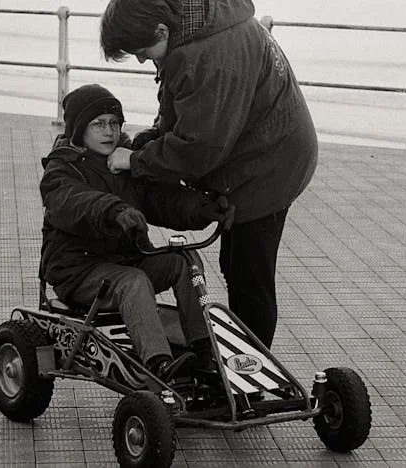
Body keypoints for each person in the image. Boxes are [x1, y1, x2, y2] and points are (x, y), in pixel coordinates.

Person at [100, 0, 318, 349]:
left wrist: (137, 161)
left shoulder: (210, 55)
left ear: (161, 30)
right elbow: (183, 109)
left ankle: (252, 373)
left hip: (270, 165)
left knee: (250, 276)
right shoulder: (191, 28)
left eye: (142, 51)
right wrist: (147, 142)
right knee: (236, 264)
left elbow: (197, 151)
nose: (141, 60)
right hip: (263, 147)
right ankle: (243, 361)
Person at [39, 84, 233, 382]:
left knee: (185, 261)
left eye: (115, 123)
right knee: (133, 281)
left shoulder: (124, 162)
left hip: (126, 259)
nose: (110, 132)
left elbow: (163, 200)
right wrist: (113, 210)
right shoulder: (61, 170)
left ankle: (204, 347)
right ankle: (158, 363)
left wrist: (205, 208)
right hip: (78, 270)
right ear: (79, 130)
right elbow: (72, 203)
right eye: (99, 124)